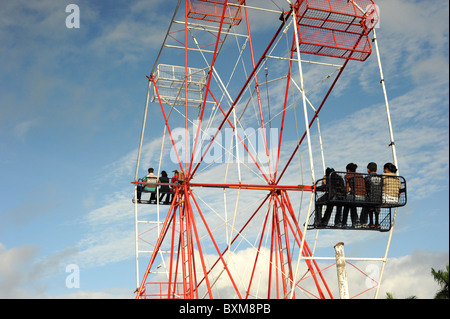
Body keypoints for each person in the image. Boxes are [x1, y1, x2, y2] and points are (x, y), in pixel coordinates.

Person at [342, 163, 365, 228]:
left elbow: (347, 189)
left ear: (348, 170)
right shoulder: (360, 175)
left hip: (355, 196)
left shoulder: (347, 176)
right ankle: (356, 222)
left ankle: (344, 222)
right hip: (363, 196)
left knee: (347, 204)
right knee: (352, 204)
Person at [361, 162, 382, 229]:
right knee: (377, 210)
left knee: (370, 210)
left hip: (370, 197)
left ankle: (371, 223)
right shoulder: (381, 178)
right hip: (379, 197)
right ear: (376, 170)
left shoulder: (367, 178)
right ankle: (377, 223)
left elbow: (365, 187)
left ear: (368, 170)